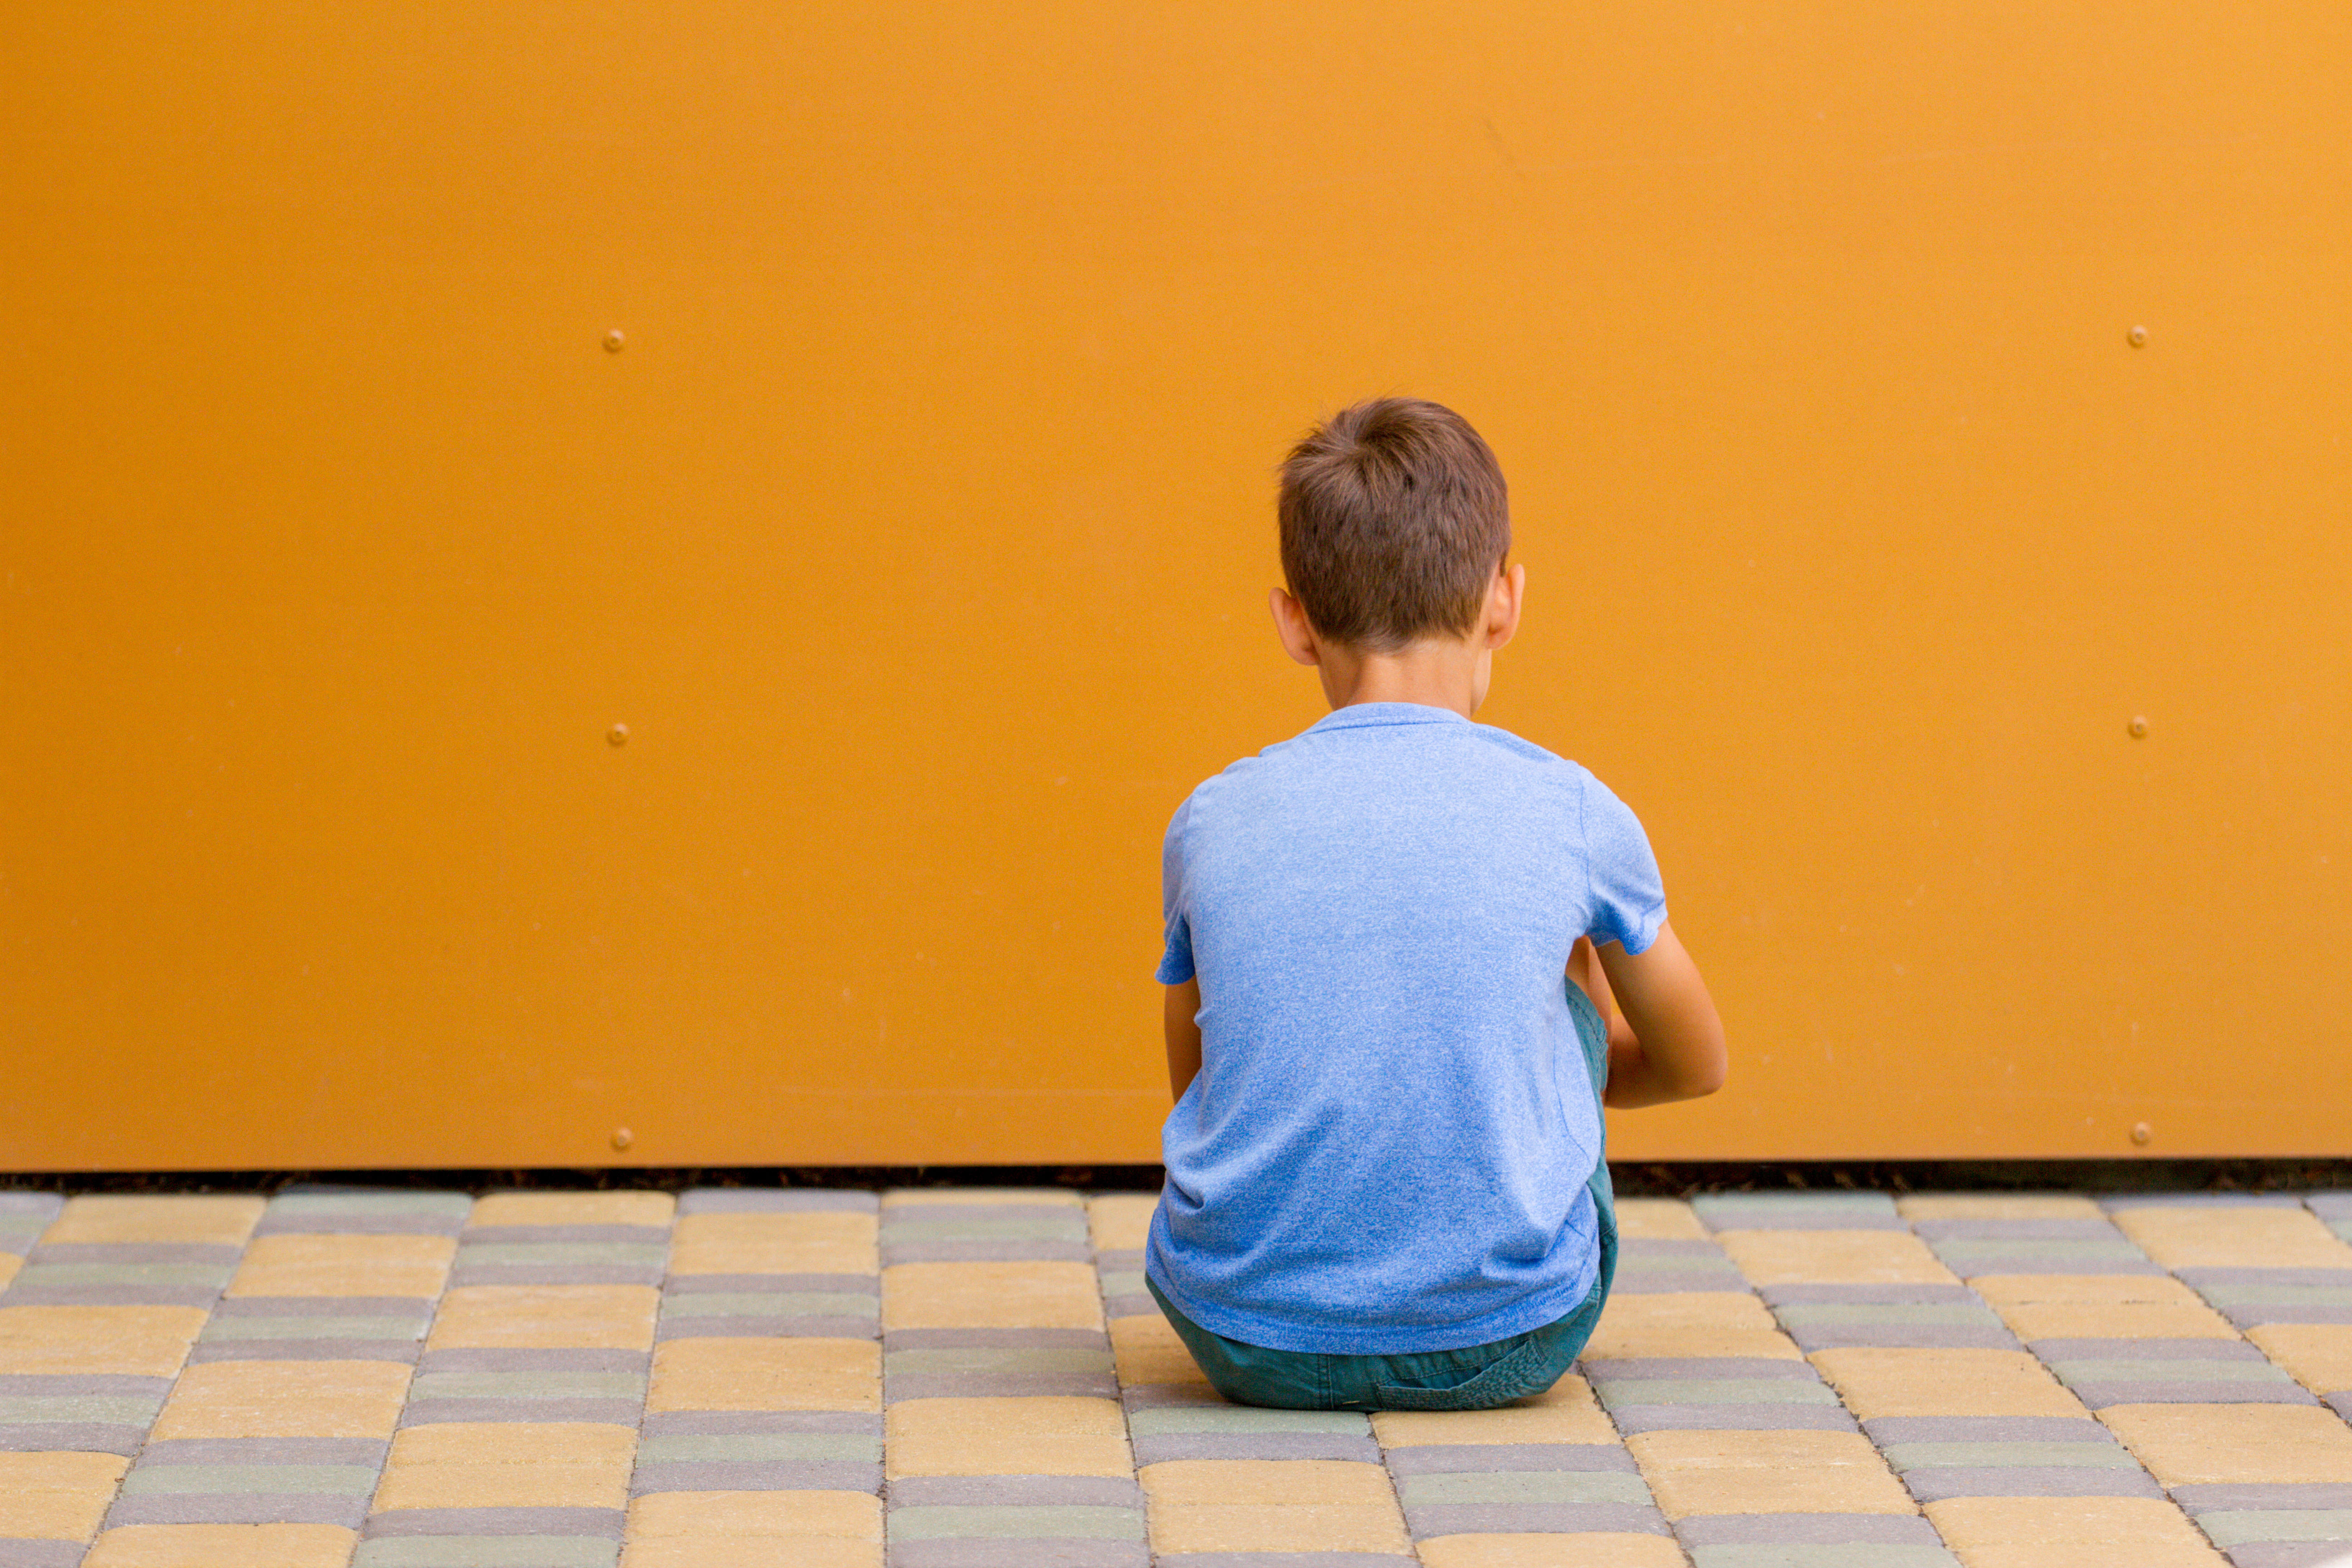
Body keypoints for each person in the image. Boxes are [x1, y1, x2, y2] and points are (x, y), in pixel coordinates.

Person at [1147, 397, 1728, 1411]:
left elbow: (1202, 1079)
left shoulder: (1210, 817)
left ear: (1295, 620)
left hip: (1238, 1331)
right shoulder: (1574, 812)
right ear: (1504, 600)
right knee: (1572, 956)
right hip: (1507, 1333)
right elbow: (1697, 1064)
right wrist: (1540, 1058)